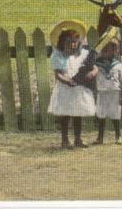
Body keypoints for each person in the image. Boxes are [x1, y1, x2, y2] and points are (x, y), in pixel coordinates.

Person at [48, 20, 98, 149]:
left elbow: (94, 67)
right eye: (69, 42)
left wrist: (93, 73)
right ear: (62, 42)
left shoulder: (83, 54)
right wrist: (67, 81)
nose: (73, 45)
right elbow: (58, 74)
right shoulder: (58, 55)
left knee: (78, 114)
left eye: (75, 42)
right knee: (65, 115)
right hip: (65, 89)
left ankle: (78, 139)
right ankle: (65, 140)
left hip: (79, 89)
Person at [93, 36, 122, 145]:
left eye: (111, 50)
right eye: (103, 50)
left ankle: (118, 135)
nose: (106, 52)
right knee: (101, 115)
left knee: (115, 115)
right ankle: (100, 137)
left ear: (115, 51)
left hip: (115, 92)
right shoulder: (96, 64)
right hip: (102, 92)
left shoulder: (118, 65)